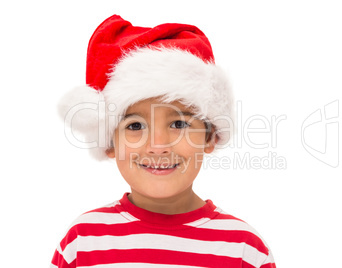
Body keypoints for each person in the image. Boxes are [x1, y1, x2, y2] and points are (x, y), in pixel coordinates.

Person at [52, 14, 276, 268]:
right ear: (110, 143)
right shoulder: (83, 242)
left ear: (210, 136)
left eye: (179, 124)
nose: (158, 145)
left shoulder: (244, 250)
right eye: (135, 126)